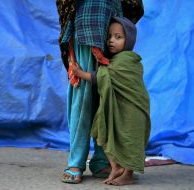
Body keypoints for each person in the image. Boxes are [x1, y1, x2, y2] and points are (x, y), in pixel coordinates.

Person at [72, 17, 151, 186]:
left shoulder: (128, 60)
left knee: (129, 141)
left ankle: (128, 175)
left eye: (118, 37)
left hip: (133, 111)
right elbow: (106, 74)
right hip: (118, 109)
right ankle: (115, 166)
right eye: (109, 37)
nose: (111, 41)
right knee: (103, 133)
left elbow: (103, 76)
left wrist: (81, 74)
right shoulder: (113, 60)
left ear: (128, 40)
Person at [56, 0, 123, 184]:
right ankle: (76, 161)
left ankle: (102, 160)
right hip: (88, 24)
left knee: (108, 99)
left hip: (113, 21)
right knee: (83, 98)